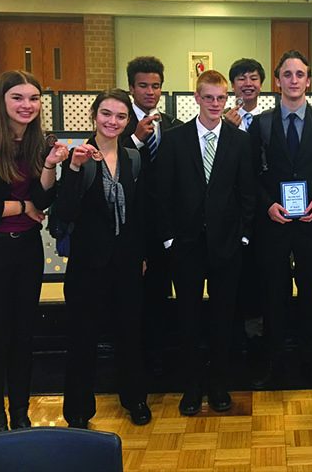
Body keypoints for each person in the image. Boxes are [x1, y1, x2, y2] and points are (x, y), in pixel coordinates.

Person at [0, 70, 66, 434]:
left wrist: (50, 165)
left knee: (23, 336)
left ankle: (20, 414)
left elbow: (44, 199)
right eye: (18, 98)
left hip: (27, 253)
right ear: (2, 101)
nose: (27, 105)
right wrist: (21, 209)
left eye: (33, 99)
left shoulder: (38, 143)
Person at [155, 70, 256, 415]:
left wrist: (243, 235)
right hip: (185, 245)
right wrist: (168, 238)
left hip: (227, 245)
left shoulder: (240, 141)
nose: (215, 104)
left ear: (227, 100)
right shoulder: (174, 139)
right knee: (188, 317)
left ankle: (218, 384)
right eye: (208, 97)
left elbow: (247, 192)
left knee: (223, 317)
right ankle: (191, 386)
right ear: (196, 98)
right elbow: (162, 193)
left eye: (221, 98)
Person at [249, 50, 312, 390]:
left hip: (310, 222)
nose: (293, 80)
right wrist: (267, 205)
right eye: (287, 74)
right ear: (277, 81)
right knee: (272, 295)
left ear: (308, 81)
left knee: (310, 295)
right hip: (273, 224)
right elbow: (250, 175)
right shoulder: (260, 124)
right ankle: (271, 362)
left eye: (299, 74)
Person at [55, 89, 151, 429]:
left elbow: (139, 214)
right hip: (87, 264)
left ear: (128, 122)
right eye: (107, 114)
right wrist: (74, 169)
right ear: (94, 115)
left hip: (125, 262)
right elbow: (62, 213)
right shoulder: (76, 156)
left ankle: (135, 399)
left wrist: (140, 255)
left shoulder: (132, 159)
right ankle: (78, 410)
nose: (113, 122)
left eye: (121, 116)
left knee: (130, 333)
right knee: (83, 337)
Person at [120, 56, 182, 377]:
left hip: (168, 224)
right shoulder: (121, 122)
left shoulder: (171, 124)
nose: (150, 92)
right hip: (135, 225)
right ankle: (138, 363)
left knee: (164, 291)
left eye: (155, 86)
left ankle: (162, 359)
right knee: (138, 298)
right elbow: (113, 165)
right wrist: (135, 140)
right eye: (143, 86)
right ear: (132, 88)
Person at [224, 59, 267, 356]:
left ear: (262, 84)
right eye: (241, 78)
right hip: (231, 210)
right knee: (232, 271)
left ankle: (257, 332)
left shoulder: (271, 119)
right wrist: (228, 130)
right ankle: (232, 332)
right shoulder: (222, 119)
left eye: (253, 78)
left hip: (265, 208)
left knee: (259, 270)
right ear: (233, 85)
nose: (247, 83)